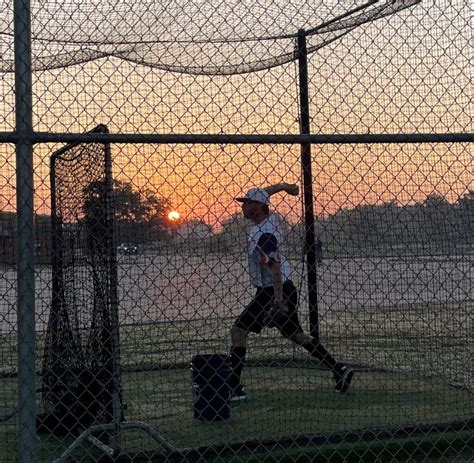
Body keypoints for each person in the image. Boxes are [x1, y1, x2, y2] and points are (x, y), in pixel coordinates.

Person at [229, 183, 353, 401]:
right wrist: (284, 187)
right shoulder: (267, 220)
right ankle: (338, 369)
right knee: (295, 335)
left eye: (247, 203)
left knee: (238, 331)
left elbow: (275, 266)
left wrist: (278, 302)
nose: (243, 207)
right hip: (281, 289)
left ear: (257, 206)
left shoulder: (265, 233)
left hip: (272, 291)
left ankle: (234, 388)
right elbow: (265, 193)